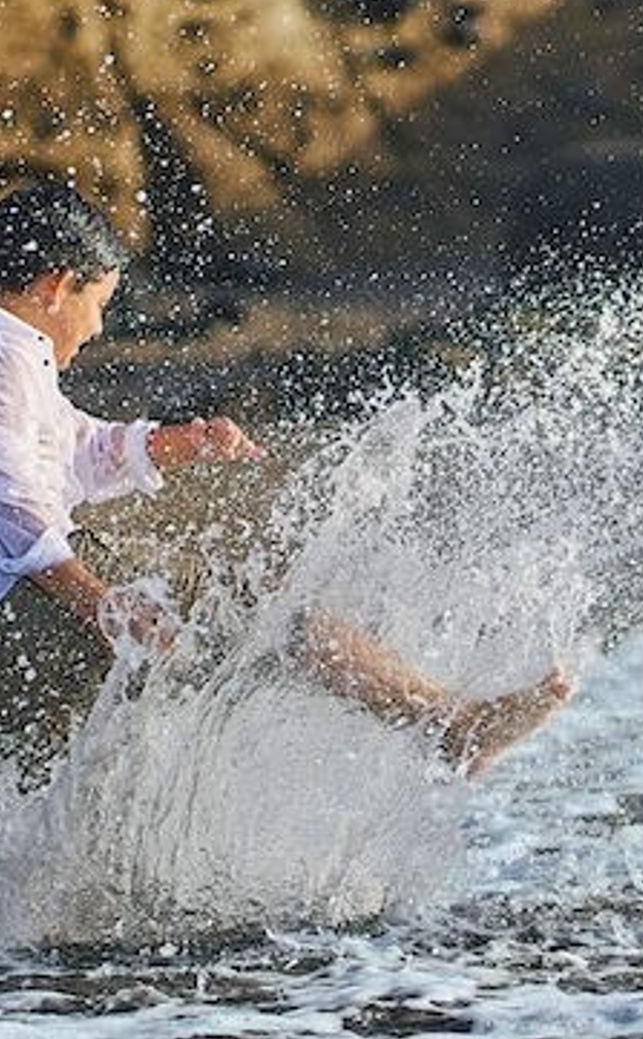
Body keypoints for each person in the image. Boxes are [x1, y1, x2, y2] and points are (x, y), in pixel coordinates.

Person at [0, 178, 570, 784]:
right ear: (57, 286)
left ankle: (449, 726)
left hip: (29, 608)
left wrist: (177, 443)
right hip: (28, 611)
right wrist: (103, 604)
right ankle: (451, 727)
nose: (96, 329)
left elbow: (66, 449)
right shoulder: (5, 360)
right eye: (101, 305)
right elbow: (11, 509)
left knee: (207, 663)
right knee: (268, 612)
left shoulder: (17, 355)